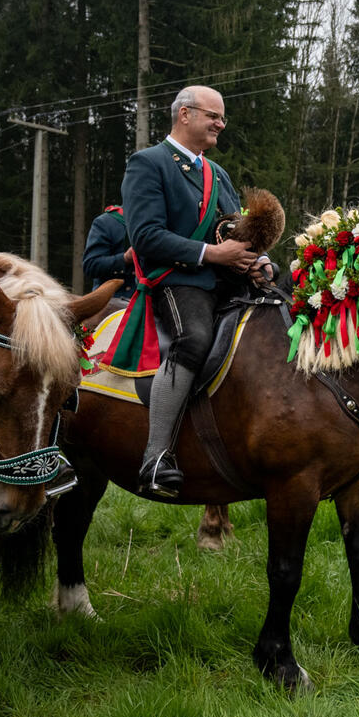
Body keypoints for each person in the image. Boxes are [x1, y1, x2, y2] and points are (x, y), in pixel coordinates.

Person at [120, 85, 270, 497]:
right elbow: (147, 236)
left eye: (223, 117)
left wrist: (256, 260)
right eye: (213, 116)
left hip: (226, 278)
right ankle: (155, 457)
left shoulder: (217, 173)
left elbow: (232, 231)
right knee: (195, 338)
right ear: (184, 115)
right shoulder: (148, 164)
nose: (221, 124)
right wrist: (212, 255)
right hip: (177, 280)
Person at [82, 204, 136, 298]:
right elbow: (91, 265)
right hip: (111, 300)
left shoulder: (159, 221)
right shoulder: (106, 222)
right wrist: (125, 258)